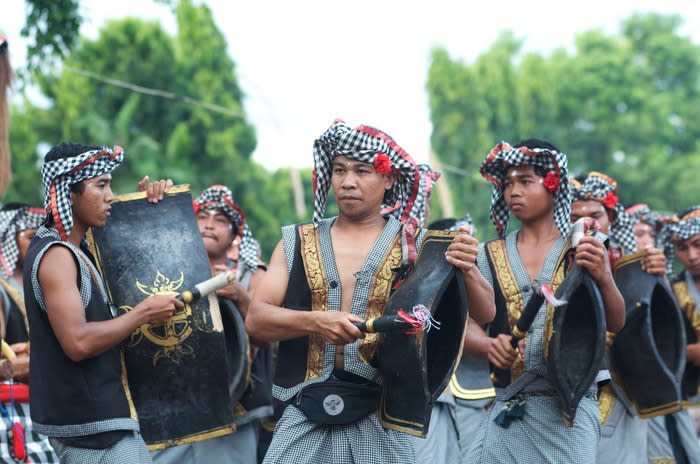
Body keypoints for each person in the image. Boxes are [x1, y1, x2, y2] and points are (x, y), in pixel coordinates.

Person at [246, 120, 495, 463]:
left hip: (383, 418)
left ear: (389, 178)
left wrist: (467, 268)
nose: (348, 182)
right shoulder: (296, 242)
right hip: (304, 411)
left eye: (362, 171)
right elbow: (257, 321)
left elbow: (486, 314)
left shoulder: (418, 245)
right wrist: (317, 322)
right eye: (339, 170)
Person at [463, 140, 625, 464]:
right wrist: (487, 345)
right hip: (509, 404)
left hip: (569, 413)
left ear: (554, 185)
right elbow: (469, 324)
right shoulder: (485, 254)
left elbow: (616, 321)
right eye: (508, 183)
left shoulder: (583, 247)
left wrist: (604, 276)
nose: (513, 192)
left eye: (525, 181)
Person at [23, 142, 182, 463]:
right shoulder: (57, 255)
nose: (110, 195)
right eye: (101, 186)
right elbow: (77, 343)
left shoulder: (79, 249)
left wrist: (146, 208)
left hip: (111, 421)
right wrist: (143, 314)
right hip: (91, 431)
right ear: (69, 193)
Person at [150, 184, 270, 463]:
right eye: (202, 217)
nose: (208, 226)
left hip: (234, 409)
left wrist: (241, 298)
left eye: (220, 220)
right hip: (176, 403)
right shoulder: (170, 273)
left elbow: (266, 333)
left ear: (235, 233)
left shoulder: (253, 274)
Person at [569, 172, 667, 464]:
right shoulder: (551, 260)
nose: (587, 223)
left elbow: (661, 325)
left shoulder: (634, 263)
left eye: (596, 214)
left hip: (625, 390)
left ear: (611, 216)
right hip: (566, 393)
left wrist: (656, 276)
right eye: (575, 215)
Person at [0, 203, 58, 462]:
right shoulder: (2, 287)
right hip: (12, 405)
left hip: (46, 397)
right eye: (29, 237)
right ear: (8, 239)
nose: (37, 244)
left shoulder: (46, 278)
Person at [665, 205, 700, 464]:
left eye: (698, 245)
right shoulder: (673, 290)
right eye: (683, 248)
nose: (692, 256)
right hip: (691, 396)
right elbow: (669, 346)